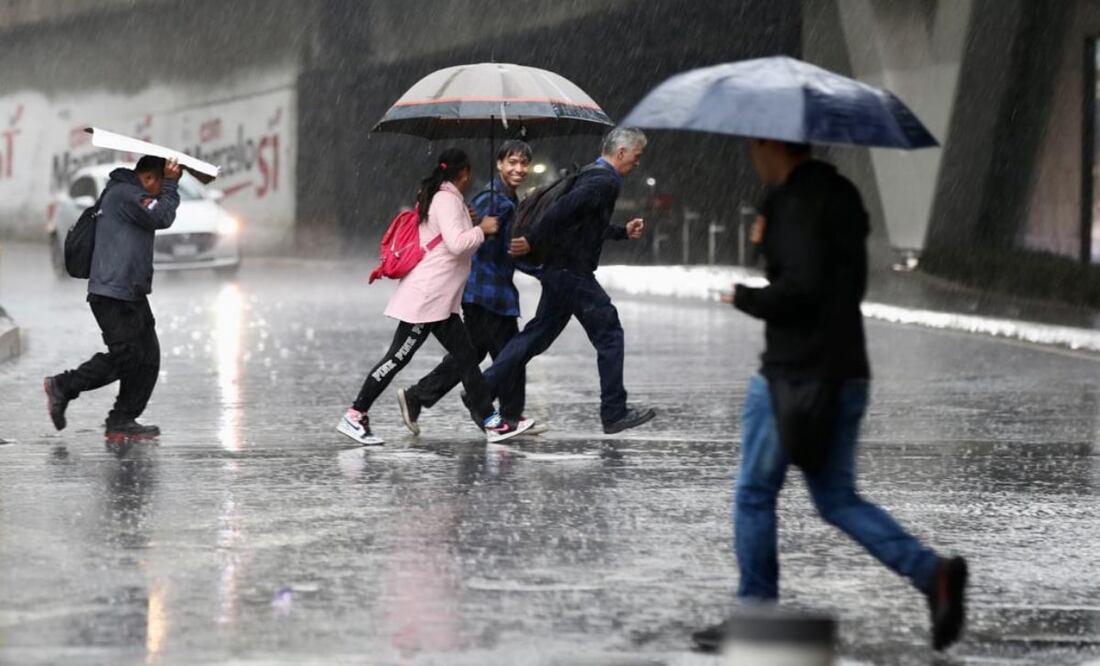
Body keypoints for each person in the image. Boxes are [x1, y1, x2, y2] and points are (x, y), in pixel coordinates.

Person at [699, 139, 967, 651]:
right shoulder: (840, 193)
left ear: (773, 144)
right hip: (845, 370)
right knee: (837, 498)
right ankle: (932, 574)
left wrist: (747, 295)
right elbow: (836, 282)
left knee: (755, 494)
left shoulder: (795, 202)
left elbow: (801, 289)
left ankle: (756, 613)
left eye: (755, 143)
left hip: (793, 375)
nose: (751, 152)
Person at [337, 148, 534, 446]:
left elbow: (447, 237)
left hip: (443, 300)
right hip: (428, 299)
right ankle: (355, 414)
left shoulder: (447, 198)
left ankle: (492, 422)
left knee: (467, 360)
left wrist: (470, 222)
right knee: (397, 357)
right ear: (464, 172)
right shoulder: (446, 199)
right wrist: (482, 229)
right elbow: (457, 245)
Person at [481, 127, 655, 435]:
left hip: (560, 270)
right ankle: (614, 412)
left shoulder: (590, 173)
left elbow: (585, 225)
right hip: (571, 271)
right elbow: (563, 209)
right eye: (636, 156)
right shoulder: (605, 181)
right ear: (622, 152)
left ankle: (482, 388)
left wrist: (622, 232)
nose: (637, 163)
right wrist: (532, 240)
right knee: (609, 332)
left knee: (537, 335)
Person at [397, 140, 544, 436]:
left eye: (523, 163)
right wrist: (538, 263)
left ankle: (417, 397)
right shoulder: (493, 200)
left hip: (489, 291)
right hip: (487, 292)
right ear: (499, 164)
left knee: (470, 355)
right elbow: (479, 242)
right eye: (512, 162)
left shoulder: (506, 199)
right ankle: (505, 413)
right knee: (511, 353)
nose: (518, 169)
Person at [44, 156, 182, 441]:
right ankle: (63, 385)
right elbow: (162, 217)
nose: (160, 190)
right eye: (159, 183)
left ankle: (122, 420)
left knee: (148, 357)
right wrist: (171, 185)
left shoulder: (127, 193)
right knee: (128, 357)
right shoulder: (127, 194)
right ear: (149, 178)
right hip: (112, 293)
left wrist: (168, 184)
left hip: (129, 291)